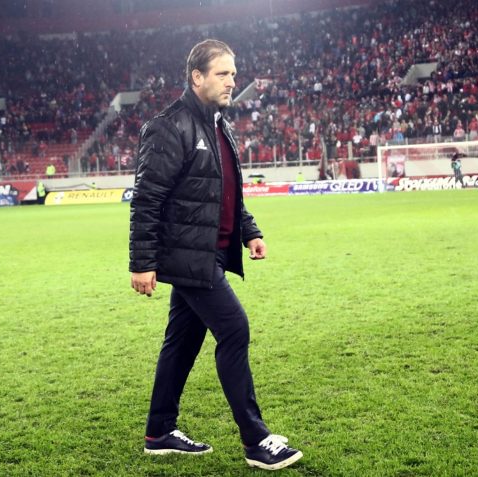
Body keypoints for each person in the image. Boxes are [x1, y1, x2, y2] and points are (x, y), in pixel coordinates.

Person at [129, 39, 302, 471]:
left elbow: (225, 192)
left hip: (214, 251)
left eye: (233, 74)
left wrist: (249, 232)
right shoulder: (169, 126)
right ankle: (256, 440)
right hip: (190, 256)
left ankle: (159, 431)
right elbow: (146, 200)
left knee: (182, 341)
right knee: (235, 330)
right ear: (197, 77)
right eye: (223, 73)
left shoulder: (218, 124)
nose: (231, 81)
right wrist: (142, 262)